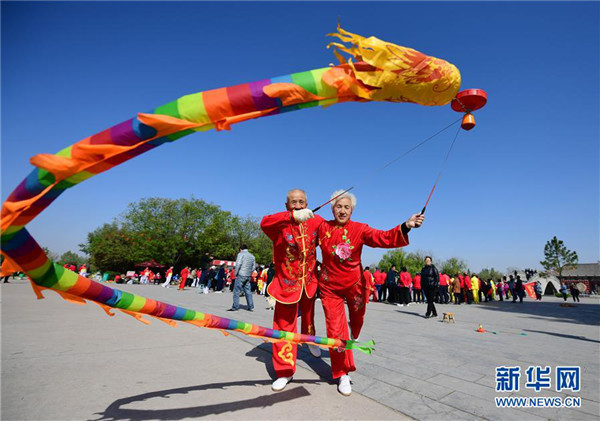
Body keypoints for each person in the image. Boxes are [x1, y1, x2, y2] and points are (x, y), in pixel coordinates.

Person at [317, 190, 424, 396]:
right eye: (338, 206)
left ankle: (354, 333)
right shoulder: (323, 227)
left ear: (352, 210)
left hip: (355, 285)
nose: (342, 210)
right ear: (332, 208)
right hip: (330, 288)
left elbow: (382, 237)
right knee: (336, 329)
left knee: (356, 321)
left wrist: (406, 226)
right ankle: (342, 372)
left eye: (346, 207)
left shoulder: (360, 229)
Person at [260, 188, 324, 392]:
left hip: (309, 281)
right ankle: (285, 371)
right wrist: (291, 217)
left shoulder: (315, 220)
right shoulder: (279, 223)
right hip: (287, 284)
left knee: (309, 317)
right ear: (286, 205)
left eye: (301, 202)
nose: (298, 205)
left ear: (307, 203)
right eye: (293, 202)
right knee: (284, 327)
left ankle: (309, 339)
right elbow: (264, 222)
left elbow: (334, 232)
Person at [228, 245, 255, 311]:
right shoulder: (252, 256)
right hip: (248, 275)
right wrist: (249, 272)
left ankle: (235, 307)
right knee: (248, 291)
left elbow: (238, 264)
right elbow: (253, 267)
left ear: (240, 249)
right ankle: (250, 306)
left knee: (236, 291)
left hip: (241, 274)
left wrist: (235, 273)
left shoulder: (240, 254)